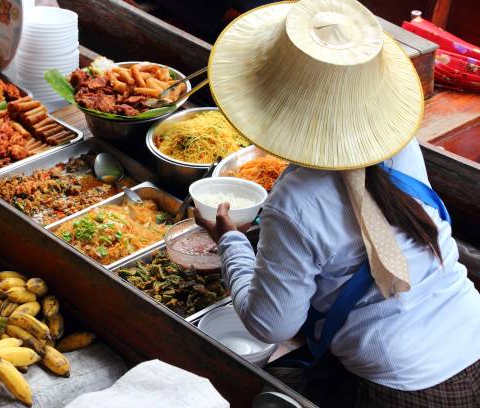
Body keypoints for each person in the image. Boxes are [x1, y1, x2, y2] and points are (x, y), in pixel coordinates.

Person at [195, 0, 480, 407]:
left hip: (404, 386)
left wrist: (230, 242)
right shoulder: (401, 149)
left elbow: (270, 325)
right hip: (472, 333)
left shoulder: (295, 201)